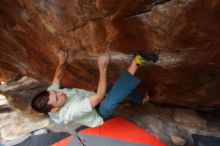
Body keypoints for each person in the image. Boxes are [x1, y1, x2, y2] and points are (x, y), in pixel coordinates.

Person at [31, 50, 156, 127]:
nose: (60, 94)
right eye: (57, 99)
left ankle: (140, 100)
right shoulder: (70, 112)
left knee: (113, 88)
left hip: (89, 97)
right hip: (98, 113)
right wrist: (103, 68)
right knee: (109, 102)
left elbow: (57, 76)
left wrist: (61, 61)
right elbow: (99, 97)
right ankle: (136, 62)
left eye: (55, 92)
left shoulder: (51, 96)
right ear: (55, 109)